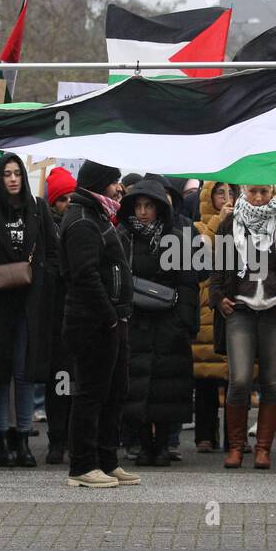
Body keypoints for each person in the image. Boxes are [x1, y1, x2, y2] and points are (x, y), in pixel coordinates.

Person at [208, 184, 276, 469]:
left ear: (272, 192)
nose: (258, 197)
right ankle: (237, 447)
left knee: (272, 381)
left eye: (264, 192)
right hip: (239, 310)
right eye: (253, 192)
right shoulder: (230, 222)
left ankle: (264, 448)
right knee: (239, 380)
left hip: (275, 312)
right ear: (244, 192)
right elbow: (218, 268)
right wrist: (218, 299)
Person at [0, 153, 59, 468]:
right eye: (6, 174)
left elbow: (52, 250)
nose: (12, 179)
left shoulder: (37, 207)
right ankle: (3, 441)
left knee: (24, 372)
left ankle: (23, 438)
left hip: (28, 302)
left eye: (17, 173)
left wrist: (42, 279)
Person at [59, 160, 138, 488]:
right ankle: (82, 465)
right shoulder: (81, 220)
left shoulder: (98, 214)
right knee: (91, 394)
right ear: (99, 183)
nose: (118, 188)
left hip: (112, 320)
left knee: (115, 391)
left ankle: (107, 459)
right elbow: (85, 274)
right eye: (114, 182)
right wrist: (108, 314)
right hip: (92, 322)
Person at [116, 177, 200, 466]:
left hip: (168, 323)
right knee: (136, 387)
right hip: (135, 321)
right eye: (138, 206)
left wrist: (185, 324)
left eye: (148, 206)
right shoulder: (123, 237)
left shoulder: (176, 238)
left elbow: (188, 283)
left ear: (159, 208)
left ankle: (163, 443)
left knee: (167, 388)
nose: (142, 212)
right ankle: (142, 444)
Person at [192, 181, 238, 454]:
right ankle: (204, 435)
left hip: (234, 305)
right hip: (207, 308)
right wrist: (218, 226)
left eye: (231, 192)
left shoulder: (245, 222)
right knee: (206, 376)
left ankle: (235, 437)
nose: (226, 197)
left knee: (236, 375)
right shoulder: (197, 228)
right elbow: (200, 259)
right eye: (220, 192)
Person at [42, 166, 76, 464]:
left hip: (80, 316)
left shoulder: (82, 226)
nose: (66, 204)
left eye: (70, 198)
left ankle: (75, 439)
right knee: (58, 382)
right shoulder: (46, 230)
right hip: (55, 318)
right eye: (61, 199)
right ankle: (57, 439)